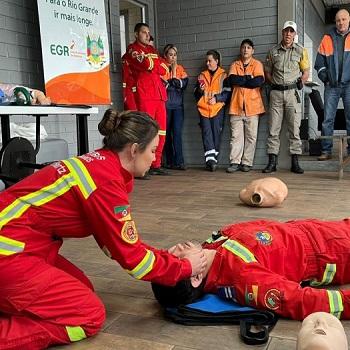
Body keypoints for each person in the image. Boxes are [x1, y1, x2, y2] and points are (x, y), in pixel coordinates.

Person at [0, 109, 207, 349]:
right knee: (87, 316)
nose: (154, 158)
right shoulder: (105, 183)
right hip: (10, 252)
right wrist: (184, 268)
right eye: (152, 151)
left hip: (24, 243)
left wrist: (165, 259)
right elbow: (133, 260)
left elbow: (120, 244)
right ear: (133, 149)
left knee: (82, 290)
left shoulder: (101, 166)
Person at [152, 217, 350, 320]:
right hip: (335, 250)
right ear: (195, 277)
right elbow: (299, 301)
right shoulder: (240, 278)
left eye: (168, 252)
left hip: (321, 229)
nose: (176, 248)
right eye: (177, 258)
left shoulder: (210, 246)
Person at [263, 21, 310, 174]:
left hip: (292, 93)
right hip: (276, 93)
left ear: (295, 34)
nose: (288, 34)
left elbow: (306, 72)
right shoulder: (272, 51)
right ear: (282, 32)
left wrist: (300, 82)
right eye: (286, 31)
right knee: (273, 129)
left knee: (294, 129)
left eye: (291, 31)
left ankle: (295, 163)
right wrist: (275, 85)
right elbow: (267, 73)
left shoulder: (301, 51)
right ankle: (272, 163)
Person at [124, 23, 169, 176]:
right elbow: (145, 64)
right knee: (146, 132)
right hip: (145, 95)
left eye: (148, 32)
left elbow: (165, 68)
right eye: (144, 32)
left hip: (160, 96)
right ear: (136, 34)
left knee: (161, 132)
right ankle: (142, 167)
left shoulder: (152, 50)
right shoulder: (132, 49)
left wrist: (153, 64)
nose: (147, 35)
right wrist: (154, 64)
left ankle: (156, 164)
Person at [314, 9, 350, 161]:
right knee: (328, 118)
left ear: (348, 20)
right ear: (335, 22)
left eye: (343, 19)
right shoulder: (327, 38)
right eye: (338, 20)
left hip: (349, 85)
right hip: (332, 86)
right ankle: (326, 150)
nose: (340, 23)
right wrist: (326, 78)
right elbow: (319, 63)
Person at [225, 39, 265, 173]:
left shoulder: (257, 64)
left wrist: (242, 80)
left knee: (251, 137)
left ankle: (247, 163)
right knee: (236, 137)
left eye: (248, 47)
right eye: (243, 47)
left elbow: (258, 82)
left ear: (252, 50)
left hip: (253, 107)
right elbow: (231, 80)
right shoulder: (235, 64)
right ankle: (234, 162)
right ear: (240, 50)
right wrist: (248, 78)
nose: (245, 50)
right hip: (236, 106)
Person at [194, 50, 230, 171]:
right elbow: (195, 93)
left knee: (216, 133)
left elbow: (228, 93)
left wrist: (217, 98)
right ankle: (210, 161)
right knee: (206, 133)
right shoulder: (201, 75)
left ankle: (212, 159)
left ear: (216, 61)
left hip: (217, 109)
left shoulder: (224, 75)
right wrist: (199, 90)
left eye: (210, 60)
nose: (207, 63)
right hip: (203, 109)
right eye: (206, 61)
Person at [162, 44, 189, 170]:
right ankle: (169, 161)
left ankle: (179, 161)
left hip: (178, 106)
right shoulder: (161, 68)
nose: (173, 57)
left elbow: (183, 84)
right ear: (165, 55)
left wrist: (174, 79)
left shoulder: (180, 68)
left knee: (177, 133)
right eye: (170, 54)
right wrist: (173, 81)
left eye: (174, 55)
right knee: (166, 134)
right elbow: (164, 86)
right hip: (165, 106)